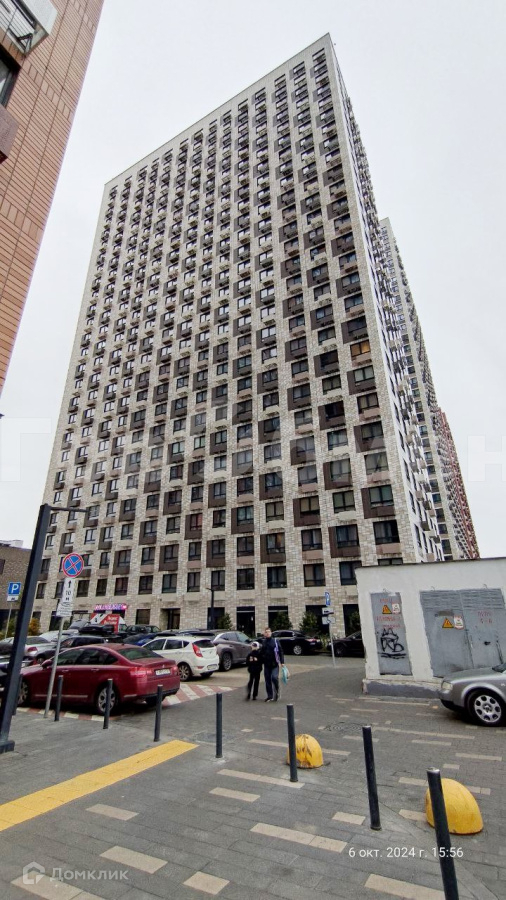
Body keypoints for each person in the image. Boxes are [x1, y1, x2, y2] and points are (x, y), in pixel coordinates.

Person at [262, 627, 284, 702]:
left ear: (271, 633)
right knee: (267, 680)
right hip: (266, 664)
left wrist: (282, 662)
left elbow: (280, 651)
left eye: (269, 632)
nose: (267, 633)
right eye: (266, 632)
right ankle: (270, 696)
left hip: (275, 664)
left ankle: (277, 691)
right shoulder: (264, 642)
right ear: (264, 634)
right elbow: (261, 653)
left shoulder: (275, 641)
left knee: (274, 678)